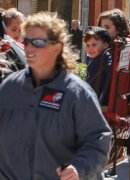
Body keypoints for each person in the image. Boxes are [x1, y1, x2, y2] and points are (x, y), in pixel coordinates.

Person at [0, 12, 112, 179]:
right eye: (27, 41)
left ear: (56, 48)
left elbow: (98, 140)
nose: (29, 48)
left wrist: (79, 168)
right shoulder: (9, 88)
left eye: (38, 42)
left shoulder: (77, 93)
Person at [84, 28, 113, 106]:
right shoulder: (105, 56)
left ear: (105, 45)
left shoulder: (101, 60)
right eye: (87, 45)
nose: (90, 48)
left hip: (97, 99)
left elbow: (91, 83)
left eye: (94, 45)